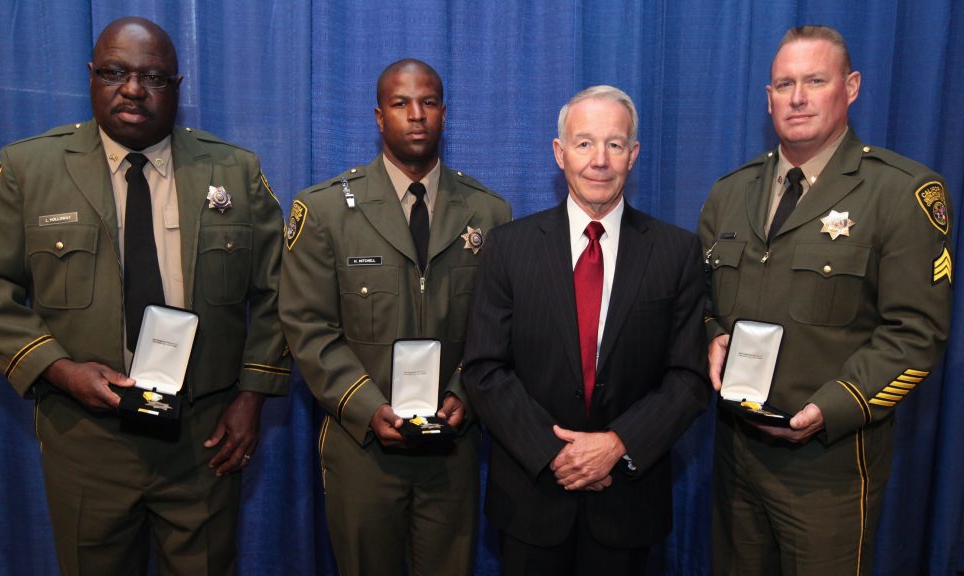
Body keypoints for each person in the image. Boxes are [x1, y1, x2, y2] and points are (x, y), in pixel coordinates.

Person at [0, 17, 290, 575]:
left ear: (178, 86)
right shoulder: (29, 170)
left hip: (204, 438)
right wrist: (57, 369)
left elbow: (283, 292)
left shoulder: (235, 170)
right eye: (115, 72)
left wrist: (251, 396)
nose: (133, 89)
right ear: (91, 77)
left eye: (153, 76)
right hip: (86, 440)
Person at [700, 25, 953, 575]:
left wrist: (831, 408)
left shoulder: (900, 193)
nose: (797, 97)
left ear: (851, 86)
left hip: (829, 463)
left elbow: (917, 334)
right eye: (784, 83)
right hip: (736, 453)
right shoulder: (730, 193)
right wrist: (713, 332)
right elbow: (704, 301)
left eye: (815, 80)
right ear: (767, 97)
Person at [462, 85, 710, 575]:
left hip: (627, 505)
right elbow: (485, 369)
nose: (600, 160)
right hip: (531, 503)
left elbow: (688, 377)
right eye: (584, 143)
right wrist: (555, 453)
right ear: (560, 153)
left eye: (615, 144)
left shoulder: (676, 253)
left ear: (633, 155)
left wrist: (617, 444)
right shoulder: (509, 248)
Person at [278, 58, 511, 576]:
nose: (416, 115)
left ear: (445, 115)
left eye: (428, 102)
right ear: (379, 117)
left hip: (452, 445)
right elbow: (308, 327)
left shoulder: (489, 214)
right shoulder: (325, 212)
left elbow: (496, 327)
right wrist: (365, 408)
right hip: (362, 446)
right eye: (400, 104)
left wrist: (464, 395)